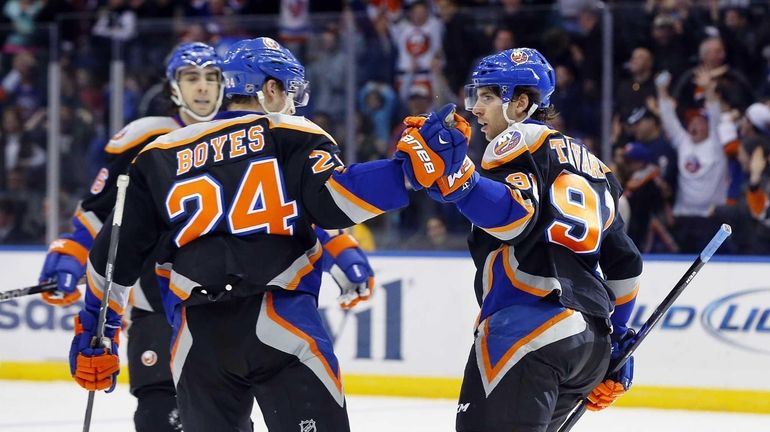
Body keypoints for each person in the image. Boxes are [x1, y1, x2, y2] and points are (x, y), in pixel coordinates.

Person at [65, 37, 467, 431]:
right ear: (270, 89)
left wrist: (94, 334)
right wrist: (406, 173)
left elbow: (116, 255)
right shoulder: (289, 132)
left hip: (197, 337)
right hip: (280, 324)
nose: (293, 103)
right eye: (289, 91)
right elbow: (335, 201)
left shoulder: (157, 154)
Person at [400, 48, 643, 431]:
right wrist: (620, 338)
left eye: (488, 97)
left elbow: (515, 217)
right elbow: (626, 263)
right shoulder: (597, 168)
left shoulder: (517, 141)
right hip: (588, 344)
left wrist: (457, 179)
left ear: (521, 103)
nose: (475, 109)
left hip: (529, 330)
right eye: (475, 96)